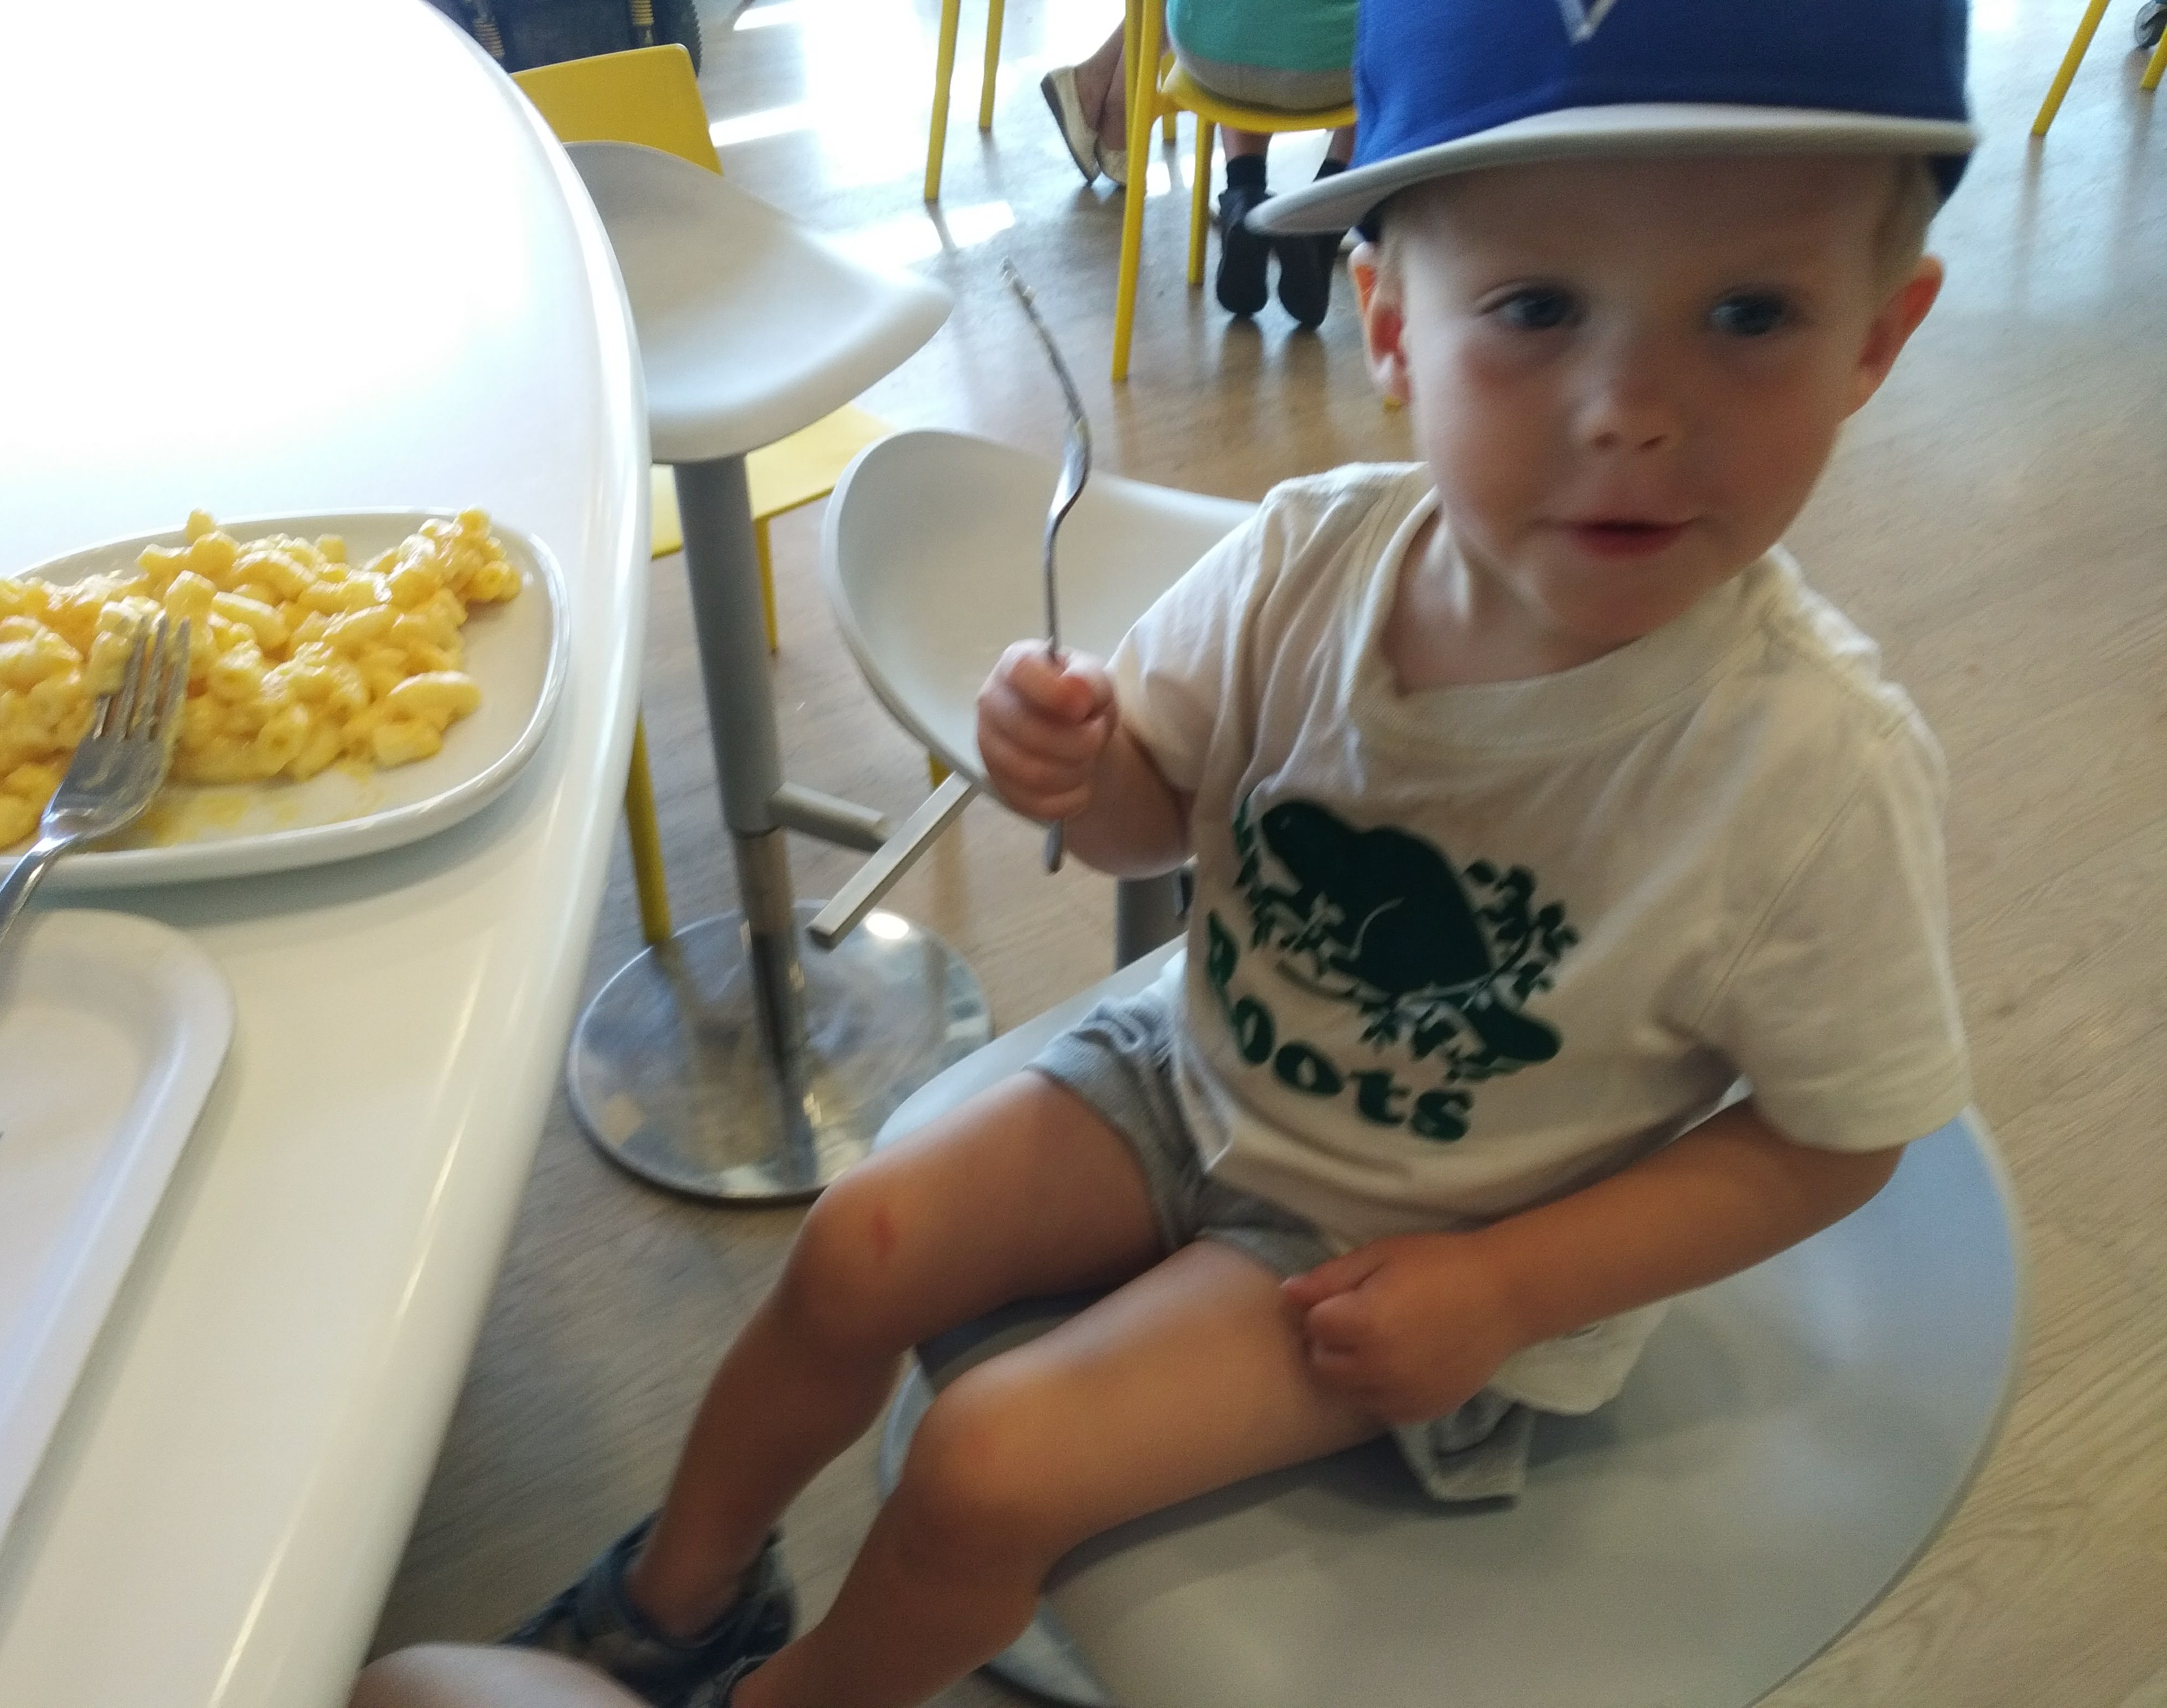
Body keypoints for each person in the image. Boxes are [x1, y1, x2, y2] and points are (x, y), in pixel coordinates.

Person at [455, 3, 1976, 1705]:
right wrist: (1079, 767)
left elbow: (1840, 1135)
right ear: (1391, 325)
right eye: (1537, 307)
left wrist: (1507, 1286)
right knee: (858, 1239)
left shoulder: (1810, 768)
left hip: (1414, 1249)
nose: (1632, 409)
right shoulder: (1303, 557)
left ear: (1877, 338)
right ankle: (679, 1598)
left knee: (987, 1465)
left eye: (1749, 315)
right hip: (1184, 1076)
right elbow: (1146, 823)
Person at [1041, 0, 1356, 327]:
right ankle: (1323, 219)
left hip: (1206, 51)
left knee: (1245, 22)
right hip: (1335, 65)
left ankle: (1244, 194)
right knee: (1390, 54)